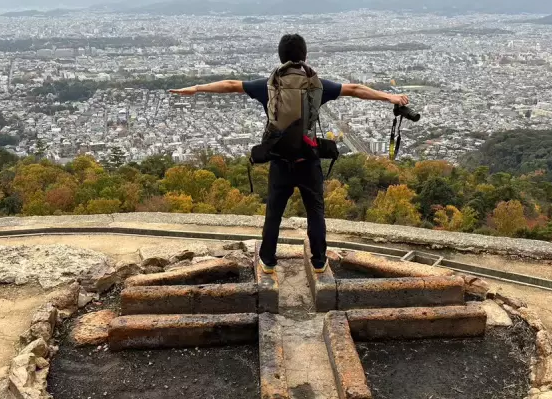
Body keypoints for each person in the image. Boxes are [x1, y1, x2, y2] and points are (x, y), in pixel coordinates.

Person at [170, 33, 409, 274]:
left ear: (280, 56)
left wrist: (196, 88)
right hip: (309, 158)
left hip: (281, 160)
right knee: (315, 211)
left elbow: (231, 85)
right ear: (304, 56)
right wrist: (389, 97)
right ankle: (318, 261)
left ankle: (268, 260)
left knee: (274, 212)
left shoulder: (269, 85)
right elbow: (355, 89)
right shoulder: (317, 86)